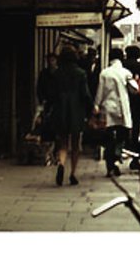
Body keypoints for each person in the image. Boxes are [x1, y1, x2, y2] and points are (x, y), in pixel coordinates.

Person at [49, 46, 92, 186]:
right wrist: (91, 108)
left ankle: (61, 163)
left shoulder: (56, 73)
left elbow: (52, 94)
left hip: (60, 110)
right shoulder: (81, 73)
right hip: (76, 111)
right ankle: (72, 174)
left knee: (62, 142)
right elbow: (85, 94)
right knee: (75, 144)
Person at [93, 48, 134, 177]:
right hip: (122, 108)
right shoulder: (126, 73)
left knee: (109, 137)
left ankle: (110, 165)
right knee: (123, 134)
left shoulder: (105, 73)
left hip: (108, 108)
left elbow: (101, 91)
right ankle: (117, 153)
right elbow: (135, 90)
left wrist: (96, 105)